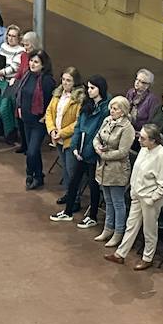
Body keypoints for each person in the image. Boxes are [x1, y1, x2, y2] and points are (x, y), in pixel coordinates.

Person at [108, 123, 163, 270]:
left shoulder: (162, 156)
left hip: (150, 199)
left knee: (149, 229)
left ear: (153, 140)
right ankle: (120, 254)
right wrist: (133, 191)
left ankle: (148, 257)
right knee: (131, 225)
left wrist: (152, 198)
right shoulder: (144, 149)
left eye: (143, 138)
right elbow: (136, 171)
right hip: (138, 194)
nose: (139, 140)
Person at [58, 75, 108, 227]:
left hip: (92, 154)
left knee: (93, 185)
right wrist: (74, 147)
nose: (89, 90)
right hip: (80, 151)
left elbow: (98, 133)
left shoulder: (105, 109)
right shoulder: (86, 105)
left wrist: (85, 151)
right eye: (88, 87)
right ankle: (67, 212)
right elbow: (78, 126)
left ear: (100, 89)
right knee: (74, 181)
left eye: (92, 88)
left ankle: (92, 216)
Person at [93, 95, 135, 246]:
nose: (112, 110)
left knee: (118, 202)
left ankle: (118, 232)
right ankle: (107, 229)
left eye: (115, 108)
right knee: (108, 200)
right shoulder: (107, 120)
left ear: (123, 112)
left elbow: (123, 152)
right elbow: (97, 137)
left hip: (118, 169)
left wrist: (104, 154)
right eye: (111, 107)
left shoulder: (127, 128)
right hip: (103, 168)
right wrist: (97, 147)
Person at [44, 66, 84, 203]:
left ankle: (75, 198)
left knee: (71, 170)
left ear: (75, 82)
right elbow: (49, 112)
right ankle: (69, 194)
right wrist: (52, 130)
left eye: (69, 80)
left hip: (70, 140)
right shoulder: (57, 94)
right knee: (65, 170)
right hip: (58, 138)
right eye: (63, 79)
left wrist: (61, 133)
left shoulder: (79, 99)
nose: (65, 83)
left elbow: (78, 121)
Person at [17, 49, 54, 190]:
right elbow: (21, 93)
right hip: (26, 119)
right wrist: (19, 106)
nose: (32, 64)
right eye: (31, 61)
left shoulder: (47, 81)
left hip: (39, 121)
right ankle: (38, 176)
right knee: (33, 151)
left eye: (36, 62)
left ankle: (29, 173)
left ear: (43, 65)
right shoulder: (27, 75)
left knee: (32, 151)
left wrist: (45, 117)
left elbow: (51, 102)